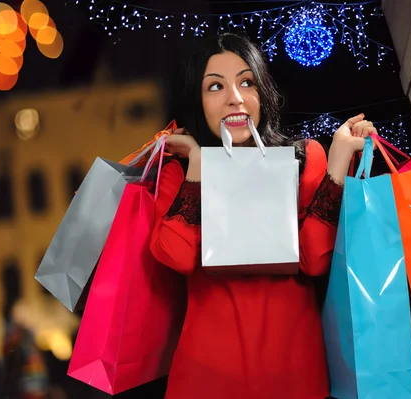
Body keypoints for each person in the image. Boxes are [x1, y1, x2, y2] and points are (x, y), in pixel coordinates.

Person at [152, 33, 377, 399]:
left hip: (296, 375)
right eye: (214, 87)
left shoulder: (303, 158)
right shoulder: (178, 168)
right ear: (196, 100)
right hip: (204, 379)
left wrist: (337, 158)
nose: (235, 98)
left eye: (246, 82)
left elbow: (315, 259)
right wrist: (197, 165)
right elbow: (174, 255)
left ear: (263, 92)